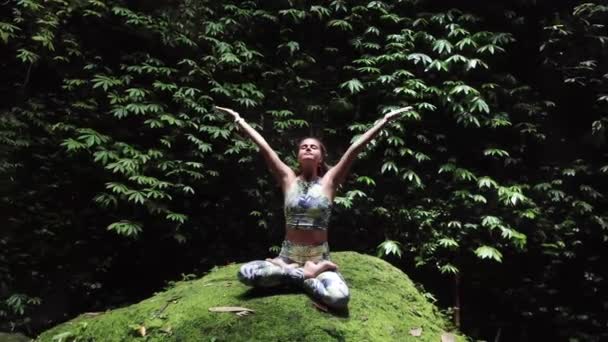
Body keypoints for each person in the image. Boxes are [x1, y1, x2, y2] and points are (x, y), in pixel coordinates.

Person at [215, 105, 411, 310]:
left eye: (313, 147)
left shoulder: (329, 182)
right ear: (298, 156)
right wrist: (239, 120)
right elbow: (265, 148)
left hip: (318, 260)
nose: (308, 148)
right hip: (287, 257)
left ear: (321, 157)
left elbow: (355, 150)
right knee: (244, 273)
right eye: (303, 147)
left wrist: (384, 121)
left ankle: (293, 275)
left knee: (339, 298)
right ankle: (300, 276)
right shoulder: (287, 179)